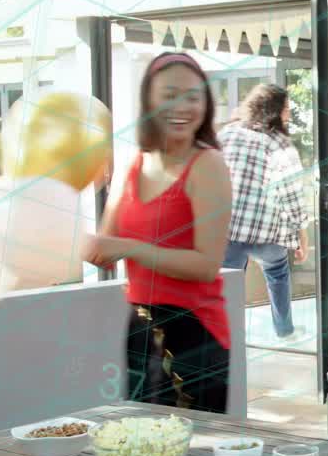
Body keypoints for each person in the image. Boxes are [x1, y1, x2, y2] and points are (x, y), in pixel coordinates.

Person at [84, 51, 233, 413]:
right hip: (140, 329)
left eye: (193, 97)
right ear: (148, 101)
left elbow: (206, 266)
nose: (181, 107)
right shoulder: (131, 164)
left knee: (190, 444)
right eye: (169, 95)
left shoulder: (208, 165)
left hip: (194, 332)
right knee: (139, 438)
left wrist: (130, 248)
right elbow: (103, 251)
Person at [219, 83, 311, 342]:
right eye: (286, 109)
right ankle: (284, 330)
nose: (288, 115)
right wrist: (302, 235)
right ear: (273, 111)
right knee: (277, 273)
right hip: (267, 234)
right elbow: (292, 195)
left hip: (229, 230)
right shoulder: (280, 144)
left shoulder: (228, 134)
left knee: (228, 286)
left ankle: (229, 339)